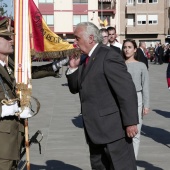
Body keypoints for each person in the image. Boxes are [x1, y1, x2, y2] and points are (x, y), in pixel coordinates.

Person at [66, 22, 138, 170]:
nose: (75, 42)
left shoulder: (108, 56)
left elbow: (126, 90)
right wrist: (73, 69)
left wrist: (130, 122)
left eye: (77, 38)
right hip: (95, 132)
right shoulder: (85, 59)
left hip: (114, 131)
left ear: (91, 38)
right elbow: (75, 88)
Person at [0, 18, 67, 170]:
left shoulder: (9, 63)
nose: (12, 40)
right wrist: (4, 110)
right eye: (6, 37)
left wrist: (56, 65)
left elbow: (28, 73)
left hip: (13, 138)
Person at [122, 39, 150, 159]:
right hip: (122, 99)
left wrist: (146, 104)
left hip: (137, 98)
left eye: (129, 47)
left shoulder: (141, 66)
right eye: (125, 47)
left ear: (135, 50)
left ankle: (132, 161)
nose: (127, 49)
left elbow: (146, 86)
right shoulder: (120, 65)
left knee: (136, 132)